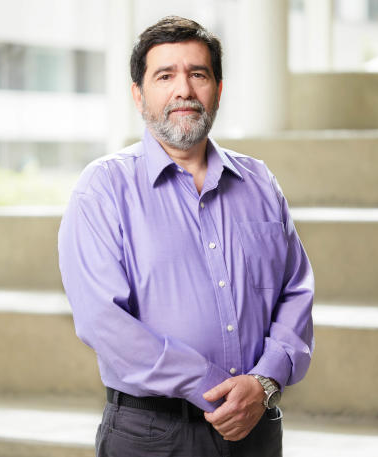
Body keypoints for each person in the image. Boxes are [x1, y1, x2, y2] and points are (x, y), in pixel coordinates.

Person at [58, 15, 314, 457]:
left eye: (198, 74)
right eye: (165, 76)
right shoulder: (103, 190)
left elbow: (295, 290)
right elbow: (105, 322)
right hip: (152, 435)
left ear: (218, 88)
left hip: (257, 427)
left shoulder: (259, 183)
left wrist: (264, 381)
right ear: (138, 95)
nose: (184, 90)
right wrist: (217, 389)